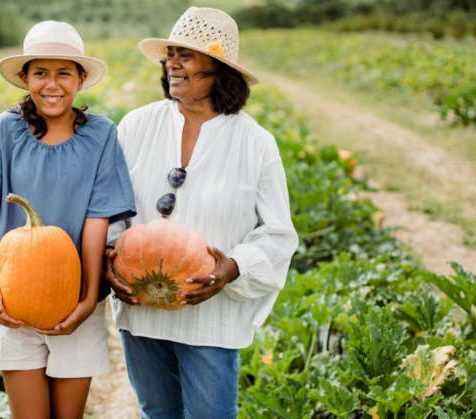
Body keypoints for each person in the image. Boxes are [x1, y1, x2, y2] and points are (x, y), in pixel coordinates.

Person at [103, 7, 298, 419]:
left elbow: (278, 233)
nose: (172, 63)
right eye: (170, 54)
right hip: (141, 307)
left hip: (210, 314)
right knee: (158, 413)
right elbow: (110, 208)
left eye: (186, 55)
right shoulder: (136, 126)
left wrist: (231, 269)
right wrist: (110, 260)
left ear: (219, 69)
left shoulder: (255, 143)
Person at [0, 21, 136, 419]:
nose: (51, 84)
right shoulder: (4, 131)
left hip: (74, 300)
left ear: (81, 78)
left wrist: (89, 297)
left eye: (63, 73)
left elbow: (97, 222)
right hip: (10, 298)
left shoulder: (102, 135)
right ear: (24, 77)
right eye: (40, 72)